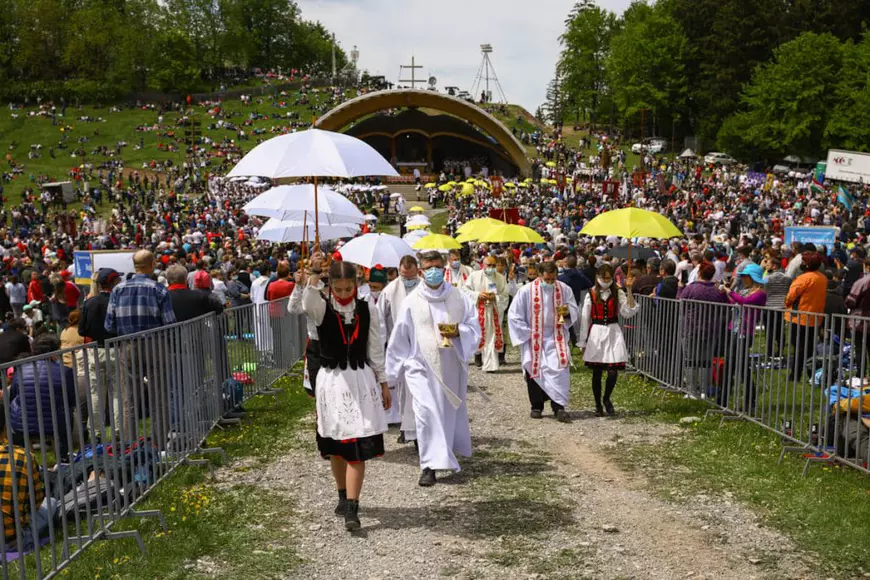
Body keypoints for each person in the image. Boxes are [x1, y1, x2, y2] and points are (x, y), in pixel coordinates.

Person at [299, 257, 391, 531]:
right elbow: (305, 304)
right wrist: (314, 272)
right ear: (331, 286)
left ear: (356, 284)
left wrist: (383, 381)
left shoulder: (367, 309)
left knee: (356, 445)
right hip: (332, 381)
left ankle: (353, 506)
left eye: (347, 288)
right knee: (336, 446)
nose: (341, 294)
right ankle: (342, 494)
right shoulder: (321, 307)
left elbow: (375, 345)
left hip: (360, 379)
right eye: (337, 289)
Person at [386, 251, 480, 487]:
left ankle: (443, 454)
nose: (433, 271)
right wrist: (390, 376)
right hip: (420, 368)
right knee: (426, 414)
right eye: (428, 267)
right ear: (421, 271)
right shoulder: (411, 301)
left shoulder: (458, 297)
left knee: (445, 415)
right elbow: (399, 338)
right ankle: (428, 466)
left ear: (444, 267)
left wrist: (459, 332)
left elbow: (474, 326)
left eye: (437, 266)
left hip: (450, 367)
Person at [104, 250, 176, 443]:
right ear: (152, 264)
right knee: (159, 394)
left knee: (129, 397)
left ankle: (131, 444)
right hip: (155, 342)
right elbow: (170, 322)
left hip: (127, 345)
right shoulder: (159, 289)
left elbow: (109, 324)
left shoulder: (118, 290)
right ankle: (160, 441)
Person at [509, 261, 579, 421]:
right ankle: (536, 406)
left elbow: (574, 308)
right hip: (533, 337)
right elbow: (514, 315)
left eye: (552, 279)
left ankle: (558, 407)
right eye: (546, 279)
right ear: (540, 275)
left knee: (559, 370)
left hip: (556, 337)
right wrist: (528, 332)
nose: (550, 283)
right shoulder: (526, 291)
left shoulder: (564, 289)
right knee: (535, 370)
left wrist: (568, 312)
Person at [577, 263, 639, 416]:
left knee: (613, 371)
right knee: (597, 372)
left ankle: (607, 398)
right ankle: (598, 404)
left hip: (613, 331)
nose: (606, 280)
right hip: (597, 332)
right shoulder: (591, 294)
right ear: (597, 277)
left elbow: (628, 311)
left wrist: (629, 289)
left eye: (608, 277)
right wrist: (583, 340)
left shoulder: (618, 292)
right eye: (603, 277)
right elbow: (585, 318)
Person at [9, 334, 78, 458]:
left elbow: (13, 395)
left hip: (21, 424)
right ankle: (63, 455)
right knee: (68, 410)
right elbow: (72, 400)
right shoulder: (65, 371)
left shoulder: (20, 369)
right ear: (55, 351)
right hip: (55, 425)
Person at [379, 255, 421, 444]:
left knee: (419, 390)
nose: (408, 280)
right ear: (399, 271)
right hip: (398, 346)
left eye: (411, 277)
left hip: (421, 347)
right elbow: (380, 321)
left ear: (417, 271)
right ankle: (406, 426)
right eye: (404, 276)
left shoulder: (425, 287)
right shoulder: (389, 291)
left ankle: (420, 429)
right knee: (402, 391)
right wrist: (382, 346)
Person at [720, 263, 767, 411]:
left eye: (745, 276)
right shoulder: (746, 290)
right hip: (735, 328)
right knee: (733, 365)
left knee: (740, 366)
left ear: (753, 277)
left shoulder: (760, 293)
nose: (743, 279)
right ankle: (724, 399)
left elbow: (744, 302)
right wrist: (726, 293)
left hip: (745, 332)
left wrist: (729, 291)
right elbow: (734, 301)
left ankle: (747, 399)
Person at [79, 268, 120, 434]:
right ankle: (118, 430)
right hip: (116, 349)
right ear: (113, 282)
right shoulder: (117, 301)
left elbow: (82, 330)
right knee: (117, 392)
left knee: (96, 393)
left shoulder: (90, 302)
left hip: (96, 350)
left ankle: (95, 431)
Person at [679, 262, 730, 398]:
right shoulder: (716, 291)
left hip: (691, 327)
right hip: (710, 329)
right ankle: (703, 390)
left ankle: (691, 390)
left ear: (699, 272)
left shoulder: (691, 288)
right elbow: (726, 306)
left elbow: (681, 303)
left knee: (690, 359)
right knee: (705, 361)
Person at [784, 251, 827, 381]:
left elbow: (790, 297)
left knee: (798, 347)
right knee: (808, 348)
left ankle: (795, 374)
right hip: (815, 317)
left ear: (807, 264)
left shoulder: (803, 278)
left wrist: (787, 302)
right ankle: (810, 373)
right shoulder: (823, 278)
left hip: (799, 317)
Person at [462, 255, 508, 372]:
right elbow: (465, 291)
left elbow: (505, 295)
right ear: (483, 264)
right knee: (479, 334)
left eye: (494, 265)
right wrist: (477, 295)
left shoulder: (501, 278)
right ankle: (478, 357)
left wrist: (495, 297)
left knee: (492, 336)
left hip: (494, 310)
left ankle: (492, 365)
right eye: (489, 265)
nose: (491, 268)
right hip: (479, 309)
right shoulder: (474, 276)